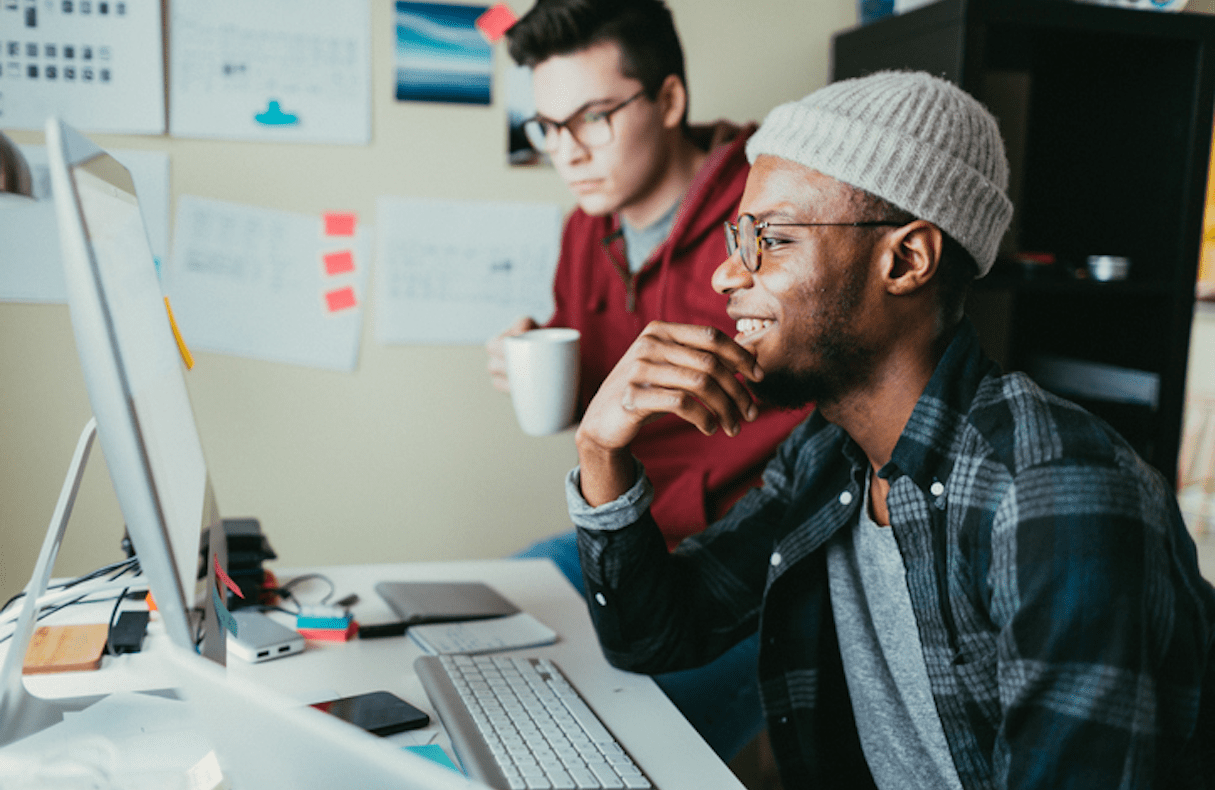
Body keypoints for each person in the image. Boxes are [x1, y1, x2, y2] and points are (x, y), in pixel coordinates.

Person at [567, 70, 1215, 789]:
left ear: (905, 259)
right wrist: (600, 450)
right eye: (736, 237)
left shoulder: (1055, 494)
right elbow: (656, 635)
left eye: (771, 240)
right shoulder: (826, 453)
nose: (725, 275)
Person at [487, 0, 812, 761]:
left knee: (591, 742)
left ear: (667, 100)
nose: (567, 152)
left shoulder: (763, 206)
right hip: (626, 537)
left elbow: (833, 381)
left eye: (592, 118)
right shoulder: (585, 227)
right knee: (461, 640)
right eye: (547, 127)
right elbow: (599, 391)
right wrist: (540, 363)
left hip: (744, 560)